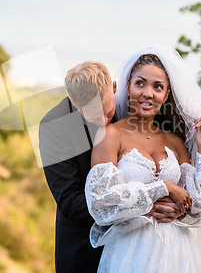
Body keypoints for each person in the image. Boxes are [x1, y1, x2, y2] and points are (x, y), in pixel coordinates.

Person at [85, 45, 201, 273]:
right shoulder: (110, 135)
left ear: (166, 94)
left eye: (157, 86)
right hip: (132, 253)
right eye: (140, 83)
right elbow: (101, 204)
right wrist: (163, 188)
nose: (148, 93)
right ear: (128, 88)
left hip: (179, 254)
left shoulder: (175, 142)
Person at [39, 60, 182, 273]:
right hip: (83, 246)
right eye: (93, 116)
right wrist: (141, 207)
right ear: (73, 101)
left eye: (108, 112)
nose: (104, 121)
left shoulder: (129, 105)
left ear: (114, 88)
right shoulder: (53, 126)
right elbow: (69, 200)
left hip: (139, 247)